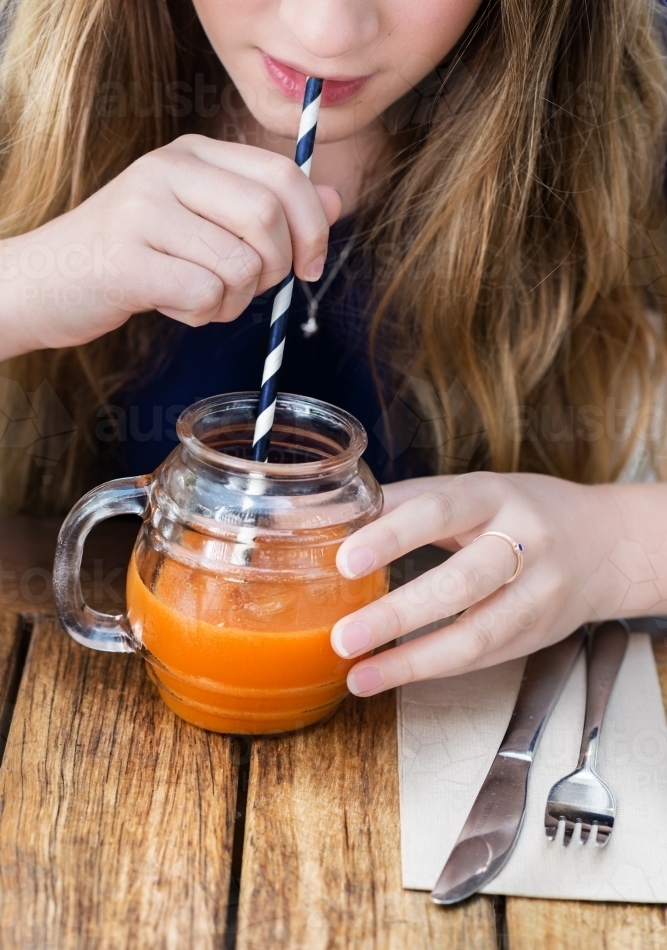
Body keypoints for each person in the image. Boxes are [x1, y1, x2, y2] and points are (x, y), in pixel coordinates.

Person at [1, 0, 667, 698]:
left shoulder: (622, 139)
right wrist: (25, 281)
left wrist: (610, 541)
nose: (326, 33)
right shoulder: (20, 94)